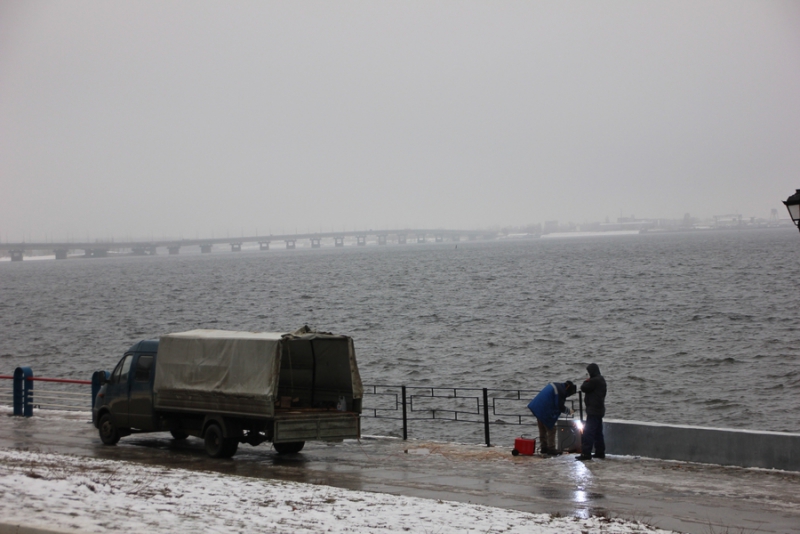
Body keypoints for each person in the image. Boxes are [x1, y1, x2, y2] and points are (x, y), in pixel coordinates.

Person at [527, 380, 577, 456]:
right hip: (544, 409)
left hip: (537, 406)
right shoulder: (561, 391)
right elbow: (559, 406)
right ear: (568, 388)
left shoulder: (557, 386)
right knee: (552, 428)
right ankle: (551, 448)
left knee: (542, 428)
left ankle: (544, 447)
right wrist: (569, 411)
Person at [576, 363, 607, 461]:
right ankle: (600, 452)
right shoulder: (601, 379)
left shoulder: (594, 381)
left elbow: (583, 388)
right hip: (599, 410)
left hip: (593, 411)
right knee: (598, 433)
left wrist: (586, 381)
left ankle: (586, 454)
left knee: (588, 432)